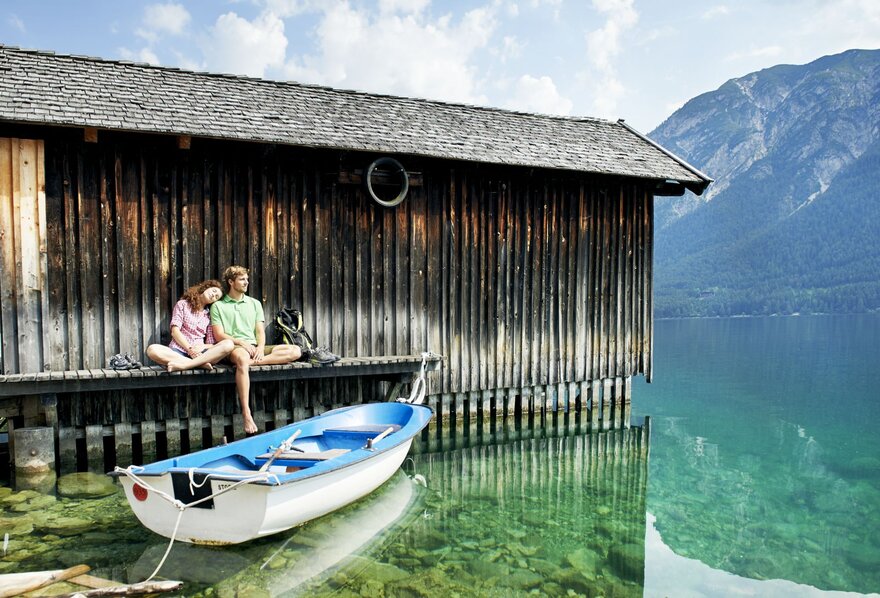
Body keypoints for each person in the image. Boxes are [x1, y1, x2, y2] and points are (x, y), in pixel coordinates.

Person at [210, 265, 301, 434]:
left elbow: (259, 331)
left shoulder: (254, 303)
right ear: (231, 282)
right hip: (234, 347)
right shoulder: (218, 306)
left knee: (295, 351)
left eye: (247, 279)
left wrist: (259, 347)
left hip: (254, 347)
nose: (246, 282)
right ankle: (246, 412)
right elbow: (219, 335)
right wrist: (241, 343)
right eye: (242, 279)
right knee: (242, 358)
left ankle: (252, 363)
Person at [146, 280, 235, 372]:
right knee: (152, 350)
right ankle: (198, 364)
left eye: (216, 297)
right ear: (206, 288)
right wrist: (189, 349)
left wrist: (203, 347)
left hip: (201, 354)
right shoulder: (182, 304)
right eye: (214, 291)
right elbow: (175, 331)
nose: (213, 295)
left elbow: (211, 343)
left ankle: (187, 365)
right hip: (178, 351)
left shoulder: (210, 315)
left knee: (228, 344)